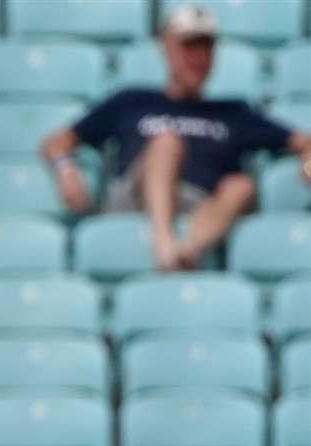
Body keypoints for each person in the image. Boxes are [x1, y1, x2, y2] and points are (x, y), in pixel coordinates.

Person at [41, 3, 311, 271]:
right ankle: (164, 245)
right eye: (189, 46)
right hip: (137, 195)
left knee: (242, 185)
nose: (198, 57)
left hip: (202, 206)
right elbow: (58, 142)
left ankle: (186, 252)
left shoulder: (234, 112)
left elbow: (304, 141)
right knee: (166, 142)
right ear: (166, 47)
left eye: (205, 47)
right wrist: (66, 170)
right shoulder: (132, 101)